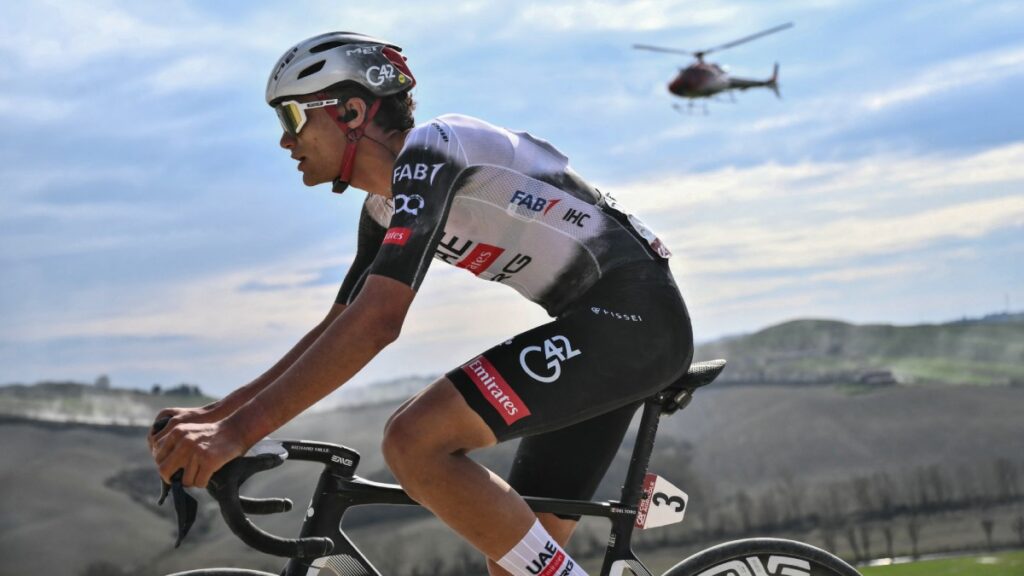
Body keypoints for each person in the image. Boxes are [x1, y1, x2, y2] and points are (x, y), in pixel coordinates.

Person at [149, 31, 693, 576]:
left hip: (636, 322)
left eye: (290, 117)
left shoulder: (435, 150)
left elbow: (378, 322)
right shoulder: (385, 207)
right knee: (513, 564)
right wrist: (217, 415)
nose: (284, 141)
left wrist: (235, 434)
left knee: (414, 441)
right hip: (601, 334)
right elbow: (337, 327)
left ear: (352, 110)